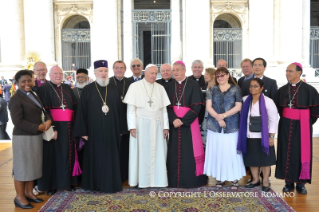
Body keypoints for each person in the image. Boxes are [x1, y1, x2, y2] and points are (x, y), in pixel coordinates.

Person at [73, 60, 123, 193]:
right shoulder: (88, 90)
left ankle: (111, 183)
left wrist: (121, 130)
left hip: (112, 131)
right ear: (95, 73)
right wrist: (83, 132)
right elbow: (81, 112)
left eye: (105, 71)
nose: (103, 73)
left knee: (110, 158)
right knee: (95, 158)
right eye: (100, 71)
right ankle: (94, 184)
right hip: (93, 132)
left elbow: (120, 111)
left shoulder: (114, 89)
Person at [9, 70, 52, 209]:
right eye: (23, 81)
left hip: (35, 136)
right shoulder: (16, 98)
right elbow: (18, 121)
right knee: (22, 167)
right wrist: (38, 127)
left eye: (29, 80)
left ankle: (29, 192)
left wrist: (48, 121)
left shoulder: (33, 94)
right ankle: (20, 197)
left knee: (32, 165)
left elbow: (43, 112)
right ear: (17, 83)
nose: (27, 83)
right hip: (23, 137)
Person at [275, 62, 319, 194]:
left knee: (301, 152)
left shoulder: (310, 90)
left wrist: (306, 121)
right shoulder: (282, 90)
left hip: (303, 125)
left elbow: (315, 111)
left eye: (290, 71)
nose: (287, 74)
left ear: (298, 72)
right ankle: (288, 182)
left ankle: (301, 183)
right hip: (285, 125)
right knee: (285, 151)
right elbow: (278, 109)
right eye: (286, 71)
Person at [124, 64, 170, 188]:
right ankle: (141, 180)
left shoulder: (160, 88)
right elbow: (131, 109)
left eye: (156, 73)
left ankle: (158, 180)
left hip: (157, 124)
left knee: (158, 153)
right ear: (145, 73)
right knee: (141, 153)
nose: (154, 76)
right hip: (141, 125)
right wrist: (132, 126)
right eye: (152, 73)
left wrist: (166, 127)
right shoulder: (134, 86)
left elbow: (164, 109)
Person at [37, 66, 79, 195]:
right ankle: (53, 185)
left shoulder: (67, 88)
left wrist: (78, 126)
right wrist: (52, 127)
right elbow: (44, 111)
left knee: (68, 154)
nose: (58, 75)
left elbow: (76, 107)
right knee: (54, 156)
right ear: (50, 75)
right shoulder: (44, 89)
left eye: (60, 73)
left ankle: (67, 183)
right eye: (55, 73)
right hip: (54, 129)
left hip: (69, 128)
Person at [166, 61, 207, 188]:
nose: (175, 72)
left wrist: (183, 121)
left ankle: (190, 180)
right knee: (174, 153)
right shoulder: (169, 86)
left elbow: (197, 107)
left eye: (178, 69)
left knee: (189, 152)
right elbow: (167, 107)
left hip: (189, 125)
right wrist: (174, 119)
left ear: (184, 70)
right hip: (174, 125)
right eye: (174, 70)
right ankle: (174, 181)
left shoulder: (193, 85)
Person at [204, 67, 245, 189]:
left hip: (232, 126)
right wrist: (218, 118)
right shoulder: (212, 89)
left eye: (223, 75)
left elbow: (238, 107)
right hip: (215, 126)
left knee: (231, 151)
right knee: (217, 151)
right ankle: (220, 178)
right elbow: (208, 107)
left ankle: (234, 179)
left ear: (228, 75)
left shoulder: (236, 89)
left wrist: (223, 116)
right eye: (218, 76)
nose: (220, 78)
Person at [237, 78, 278, 192]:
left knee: (265, 160)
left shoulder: (268, 101)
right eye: (251, 86)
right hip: (249, 135)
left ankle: (265, 181)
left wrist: (271, 136)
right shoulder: (245, 100)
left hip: (263, 136)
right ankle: (255, 180)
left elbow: (273, 119)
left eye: (255, 86)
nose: (252, 88)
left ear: (261, 88)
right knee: (252, 159)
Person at [109, 60, 132, 182]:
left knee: (125, 149)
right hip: (112, 120)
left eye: (121, 68)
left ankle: (125, 174)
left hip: (127, 119)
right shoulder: (107, 83)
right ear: (113, 69)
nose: (119, 70)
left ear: (125, 69)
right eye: (116, 68)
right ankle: (114, 174)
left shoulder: (130, 83)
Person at [188, 60, 206, 125]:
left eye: (199, 67)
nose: (197, 69)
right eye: (195, 67)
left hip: (204, 110)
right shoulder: (187, 80)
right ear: (192, 68)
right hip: (191, 110)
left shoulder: (207, 79)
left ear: (202, 69)